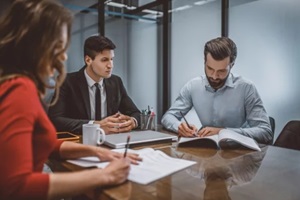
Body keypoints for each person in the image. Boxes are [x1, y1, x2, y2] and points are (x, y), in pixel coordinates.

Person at [0, 0, 141, 199]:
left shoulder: (19, 84)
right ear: (34, 46)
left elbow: (47, 144)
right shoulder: (19, 89)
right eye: (59, 46)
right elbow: (15, 186)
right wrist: (104, 175)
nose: (64, 57)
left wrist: (98, 152)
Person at [161, 37, 272, 144]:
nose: (214, 76)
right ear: (204, 62)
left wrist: (224, 132)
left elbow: (265, 132)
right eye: (210, 69)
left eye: (221, 71)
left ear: (232, 65)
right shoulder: (192, 86)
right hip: (206, 151)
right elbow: (168, 117)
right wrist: (180, 127)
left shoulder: (246, 88)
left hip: (239, 153)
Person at [48, 35, 141, 134]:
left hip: (111, 140)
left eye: (112, 59)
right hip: (80, 141)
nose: (110, 65)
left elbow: (135, 113)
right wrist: (96, 125)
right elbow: (55, 120)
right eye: (104, 60)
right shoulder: (66, 81)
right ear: (88, 60)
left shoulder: (116, 82)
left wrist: (133, 122)